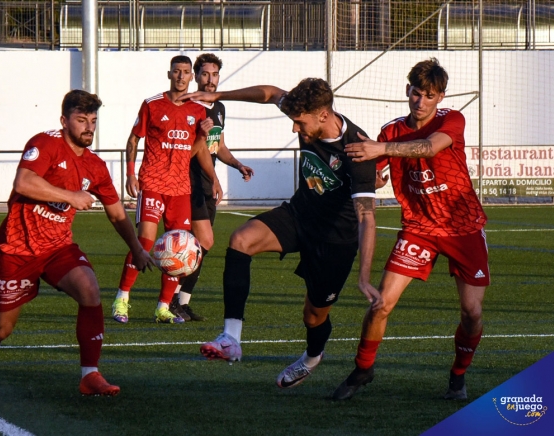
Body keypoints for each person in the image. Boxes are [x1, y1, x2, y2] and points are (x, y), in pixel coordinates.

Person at [0, 90, 153, 398]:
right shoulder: (45, 143)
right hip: (18, 249)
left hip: (57, 248)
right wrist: (71, 196)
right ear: (64, 120)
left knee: (90, 289)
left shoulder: (95, 165)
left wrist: (136, 248)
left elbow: (116, 212)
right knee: (0, 330)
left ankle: (90, 374)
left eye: (93, 121)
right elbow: (24, 183)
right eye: (81, 120)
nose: (89, 128)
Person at [180, 78, 380, 390]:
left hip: (334, 240)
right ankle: (230, 338)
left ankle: (312, 358)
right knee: (240, 240)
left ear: (323, 115)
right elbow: (271, 93)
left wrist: (365, 276)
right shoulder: (304, 111)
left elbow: (367, 217)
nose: (294, 129)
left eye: (300, 123)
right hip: (300, 213)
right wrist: (218, 94)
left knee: (313, 316)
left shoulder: (357, 150)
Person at [335, 58, 489, 401]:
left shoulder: (452, 119)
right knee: (380, 304)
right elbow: (375, 170)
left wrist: (382, 150)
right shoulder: (391, 130)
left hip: (463, 226)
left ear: (440, 96)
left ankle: (458, 375)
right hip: (418, 228)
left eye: (429, 95)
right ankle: (363, 369)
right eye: (416, 93)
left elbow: (430, 146)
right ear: (408, 91)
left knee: (472, 313)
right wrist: (373, 173)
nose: (420, 101)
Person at [111, 55, 222, 324]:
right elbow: (133, 139)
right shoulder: (152, 104)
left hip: (181, 188)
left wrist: (204, 142)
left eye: (185, 72)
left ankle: (163, 307)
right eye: (177, 71)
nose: (181, 76)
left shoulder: (198, 110)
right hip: (152, 182)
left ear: (190, 77)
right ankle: (122, 299)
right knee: (146, 242)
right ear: (169, 74)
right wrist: (129, 174)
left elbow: (196, 151)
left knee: (178, 248)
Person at [168, 53, 254, 322]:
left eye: (214, 74)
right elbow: (189, 151)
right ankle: (170, 298)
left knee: (199, 245)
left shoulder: (219, 107)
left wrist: (237, 165)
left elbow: (217, 145)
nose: (210, 79)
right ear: (196, 76)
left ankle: (180, 301)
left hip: (206, 185)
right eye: (205, 74)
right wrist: (214, 178)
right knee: (197, 242)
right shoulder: (189, 105)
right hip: (188, 183)